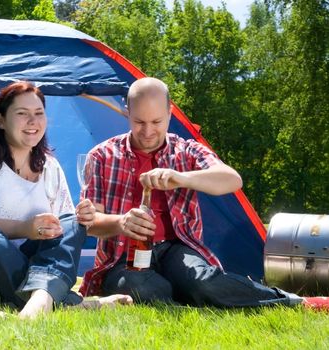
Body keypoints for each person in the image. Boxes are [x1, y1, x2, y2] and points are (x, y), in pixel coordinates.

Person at [79, 77, 329, 310]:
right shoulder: (102, 155)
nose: (147, 132)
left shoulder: (185, 150)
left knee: (204, 281)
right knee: (140, 287)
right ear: (127, 112)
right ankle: (185, 294)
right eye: (139, 122)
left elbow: (232, 180)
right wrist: (121, 223)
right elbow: (90, 224)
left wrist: (181, 178)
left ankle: (294, 302)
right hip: (123, 256)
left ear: (169, 113)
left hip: (176, 249)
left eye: (156, 122)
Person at [0, 81, 131, 319]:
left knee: (70, 222)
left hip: (29, 267)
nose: (33, 121)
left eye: (38, 114)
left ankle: (40, 301)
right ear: (1, 120)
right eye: (22, 114)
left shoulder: (50, 167)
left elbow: (63, 231)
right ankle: (65, 301)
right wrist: (25, 228)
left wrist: (83, 219)